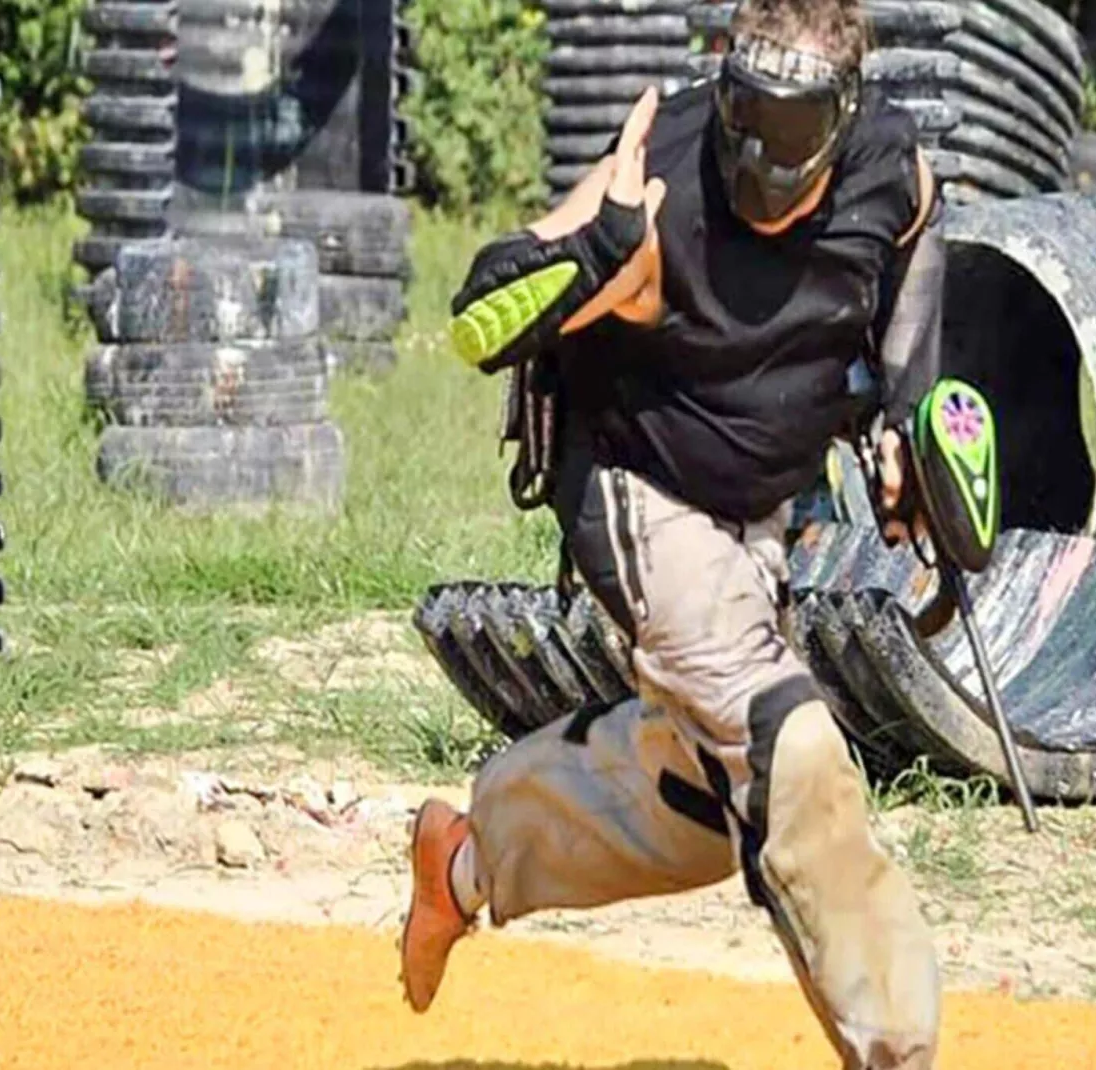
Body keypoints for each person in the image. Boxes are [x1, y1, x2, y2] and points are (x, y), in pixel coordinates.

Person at [399, 0, 946, 1066]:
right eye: (744, 113)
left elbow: (920, 237)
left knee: (707, 800)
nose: (759, 156)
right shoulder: (657, 175)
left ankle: (469, 855)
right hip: (637, 492)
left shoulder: (891, 167)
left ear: (845, 114)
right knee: (793, 751)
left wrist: (904, 420)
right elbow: (475, 318)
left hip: (760, 512)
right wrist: (588, 257)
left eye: (792, 131)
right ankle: (899, 1053)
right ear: (720, 80)